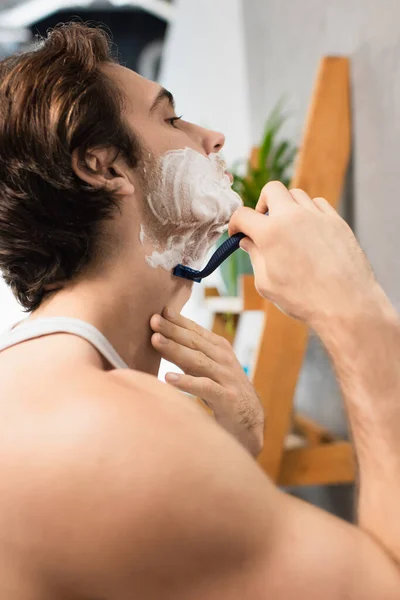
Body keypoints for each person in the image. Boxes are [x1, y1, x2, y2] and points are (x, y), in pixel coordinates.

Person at [0, 21, 398, 600]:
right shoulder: (100, 429)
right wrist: (355, 310)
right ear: (103, 166)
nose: (211, 137)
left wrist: (233, 456)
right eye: (170, 118)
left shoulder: (49, 385)